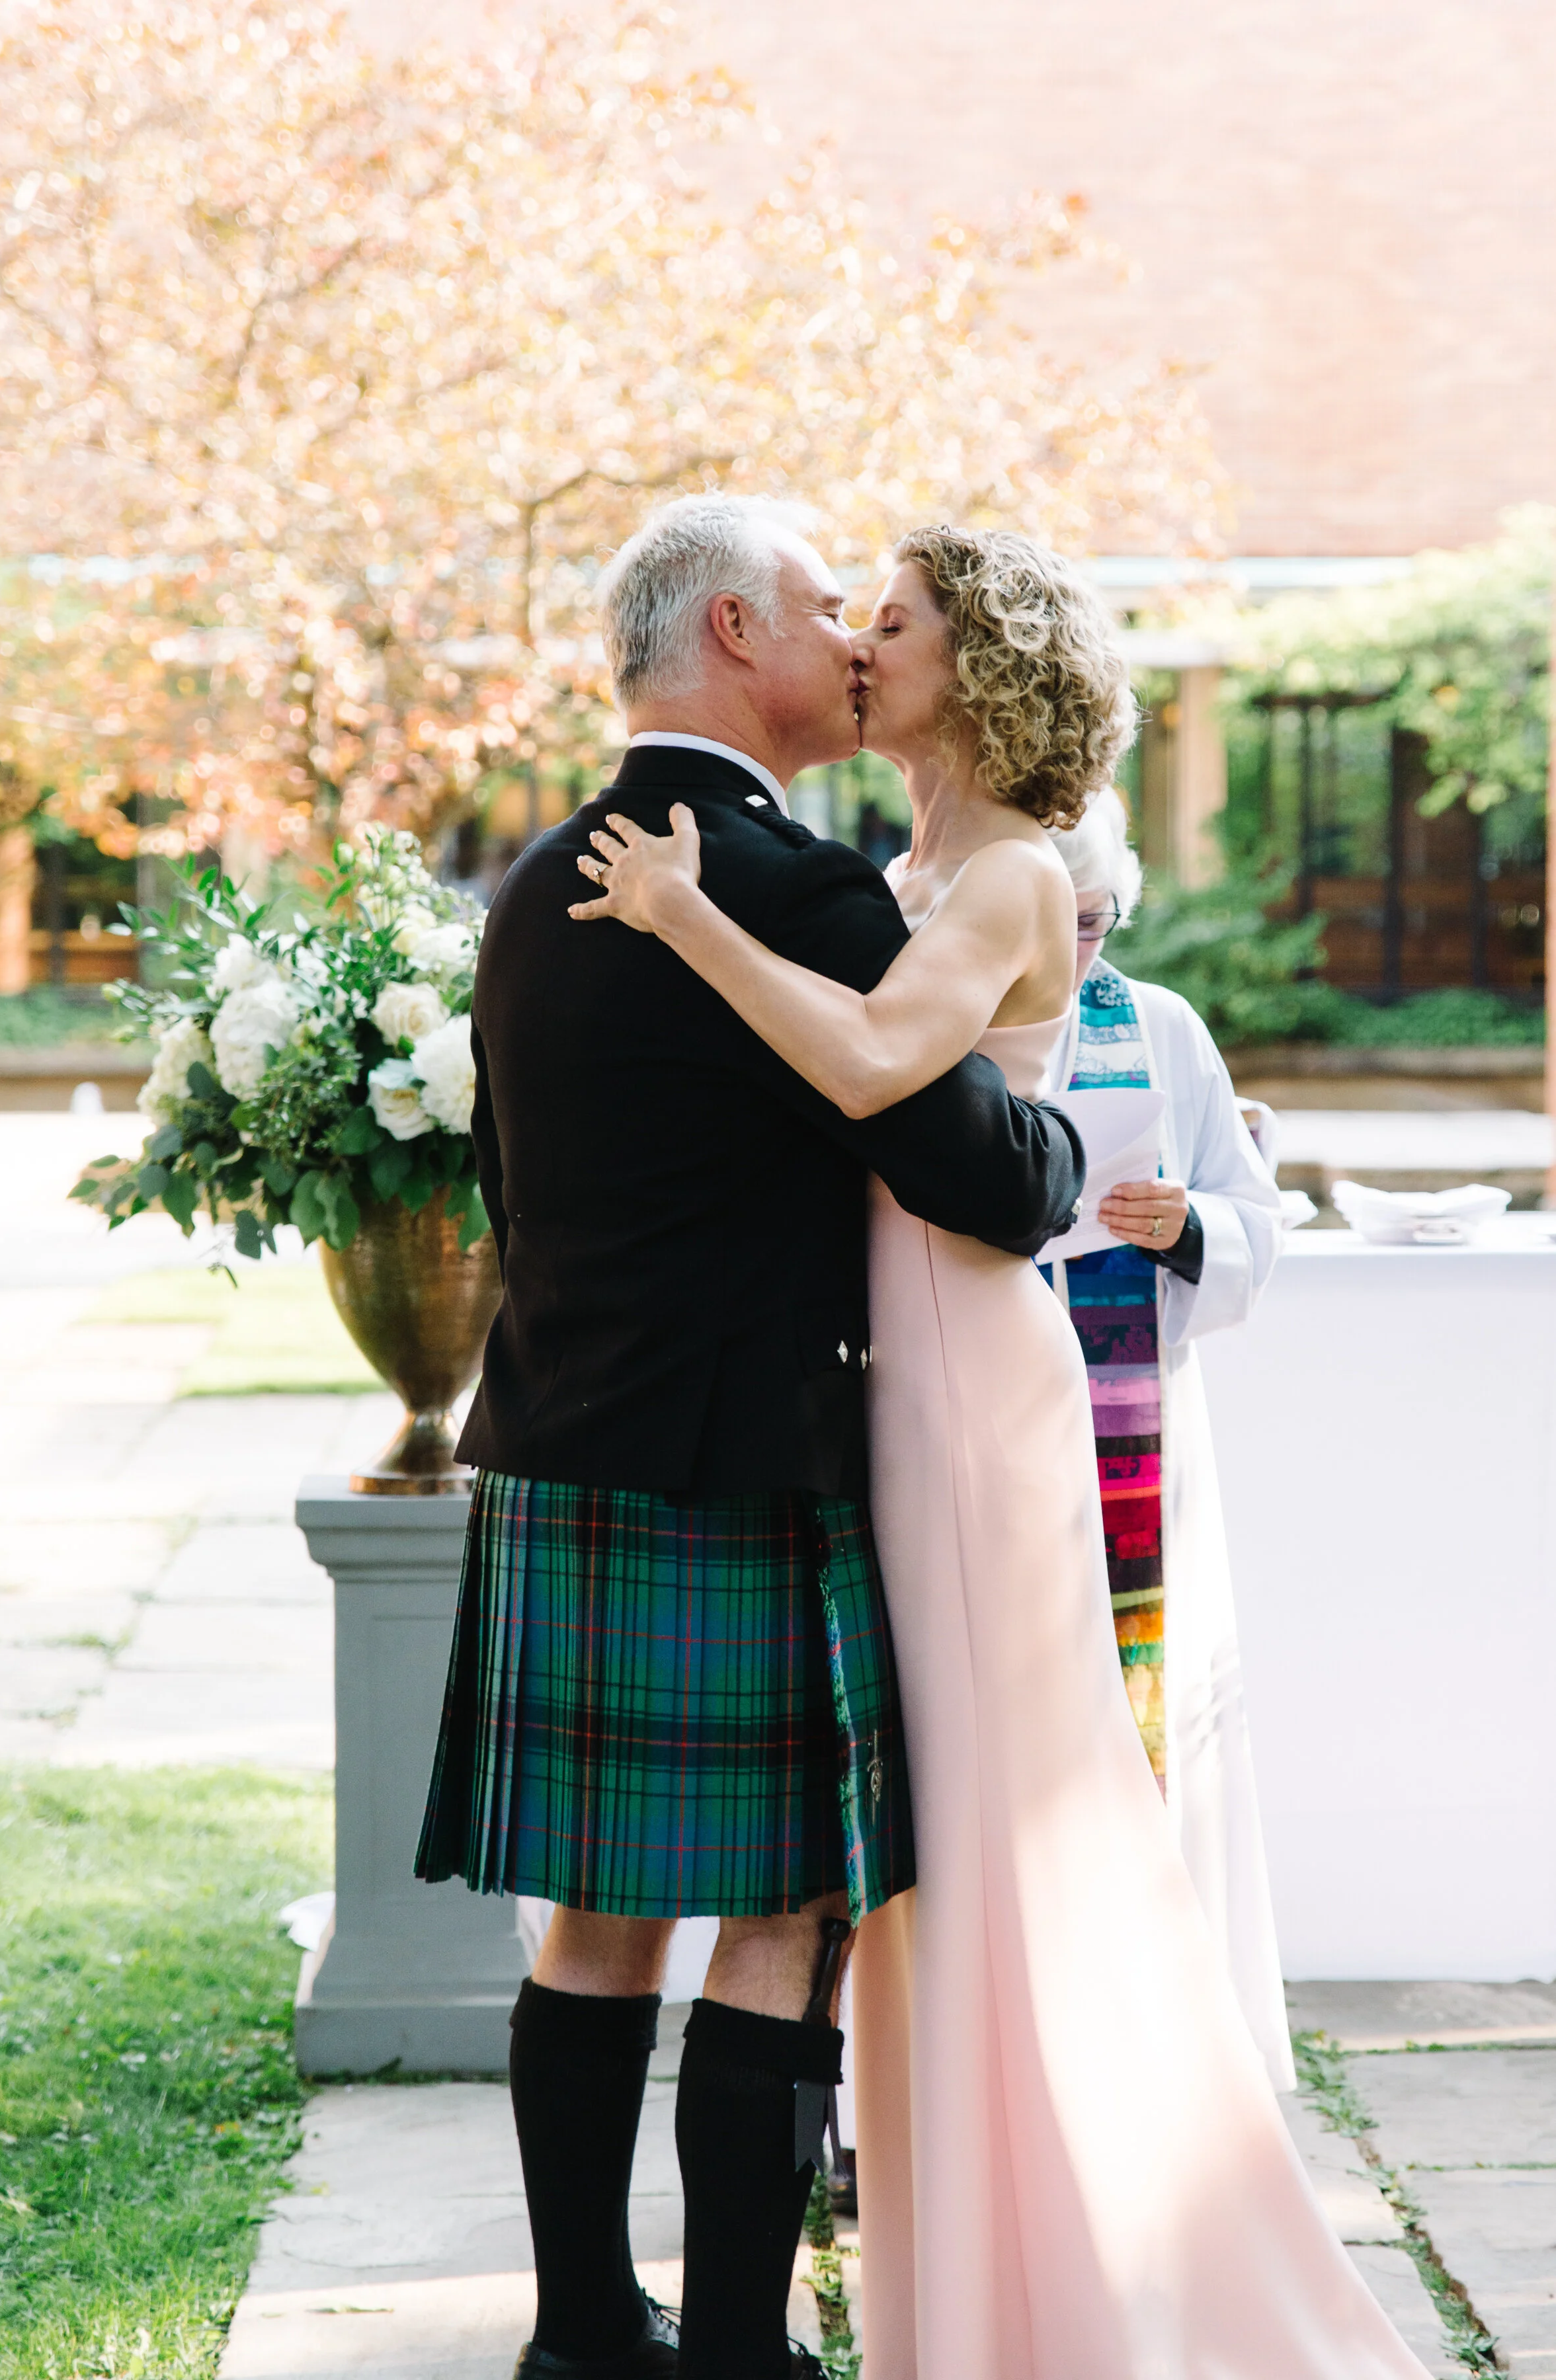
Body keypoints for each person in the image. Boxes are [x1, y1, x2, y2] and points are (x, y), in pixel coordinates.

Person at [579, 523, 1433, 2380]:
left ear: (983, 666)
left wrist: (683, 914)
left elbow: (883, 1066)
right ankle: (965, 2280)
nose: (864, 644)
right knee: (926, 1863)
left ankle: (1084, 2291)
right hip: (887, 1368)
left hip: (970, 1385)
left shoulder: (1020, 873)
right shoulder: (915, 863)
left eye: (895, 621)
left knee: (999, 1833)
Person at [414, 495, 1083, 2380]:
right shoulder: (798, 889)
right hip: (746, 1462)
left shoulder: (537, 885)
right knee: (783, 1910)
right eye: (820, 605)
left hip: (555, 1439)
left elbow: (503, 1179)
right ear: (728, 631)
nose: (856, 638)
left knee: (597, 1914)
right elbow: (979, 1172)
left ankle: (576, 2337)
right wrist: (1056, 1121)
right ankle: (733, 2351)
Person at [1042, 787, 1295, 2088]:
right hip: (992, 1438)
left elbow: (1256, 1222)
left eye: (1096, 918)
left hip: (1128, 1436)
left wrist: (1182, 1222)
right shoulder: (943, 1015)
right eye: (1053, 914)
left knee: (1131, 1737)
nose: (1077, 945)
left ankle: (1141, 2044)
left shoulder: (1158, 1029)